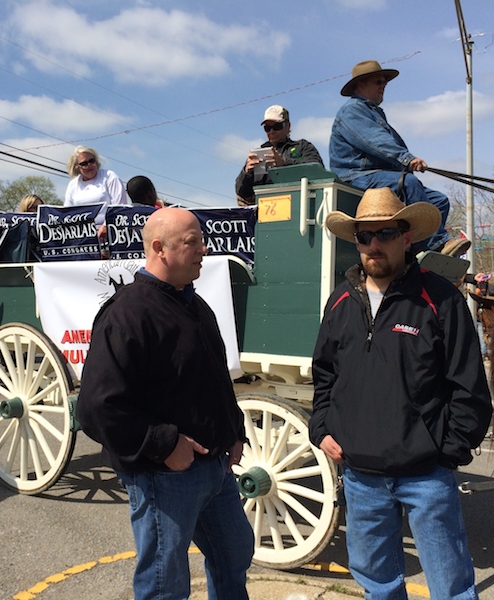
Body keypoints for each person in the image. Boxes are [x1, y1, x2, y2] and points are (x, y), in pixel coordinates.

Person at [309, 187, 492, 599]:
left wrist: (447, 450)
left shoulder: (439, 299)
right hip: (360, 476)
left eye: (385, 233)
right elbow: (324, 374)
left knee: (452, 587)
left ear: (407, 237)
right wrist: (321, 428)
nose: (373, 245)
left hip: (425, 475)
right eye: (364, 236)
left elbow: (469, 386)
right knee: (379, 584)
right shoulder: (339, 301)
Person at [76, 207, 254, 599]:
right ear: (159, 248)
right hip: (165, 476)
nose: (203, 250)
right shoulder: (127, 313)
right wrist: (165, 445)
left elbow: (214, 381)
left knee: (234, 555)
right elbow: (97, 407)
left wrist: (233, 431)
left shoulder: (196, 305)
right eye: (192, 242)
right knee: (164, 584)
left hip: (215, 468)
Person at [330, 60, 468, 257]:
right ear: (361, 85)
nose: (383, 85)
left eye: (385, 82)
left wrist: (405, 161)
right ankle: (438, 245)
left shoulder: (373, 112)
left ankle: (417, 250)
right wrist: (406, 159)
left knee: (439, 202)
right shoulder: (352, 110)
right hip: (355, 176)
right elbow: (375, 141)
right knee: (409, 183)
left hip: (376, 175)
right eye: (378, 81)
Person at [235, 105, 324, 206]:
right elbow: (241, 193)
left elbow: (317, 169)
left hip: (296, 206)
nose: (272, 131)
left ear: (288, 126)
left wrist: (285, 163)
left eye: (277, 127)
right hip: (264, 210)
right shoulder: (257, 154)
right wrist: (247, 173)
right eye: (267, 128)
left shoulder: (303, 146)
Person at [64, 145, 130, 240]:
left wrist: (106, 226)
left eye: (91, 161)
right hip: (82, 238)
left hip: (109, 236)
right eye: (84, 163)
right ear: (77, 167)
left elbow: (120, 206)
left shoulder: (109, 177)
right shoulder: (73, 185)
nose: (89, 165)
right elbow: (67, 213)